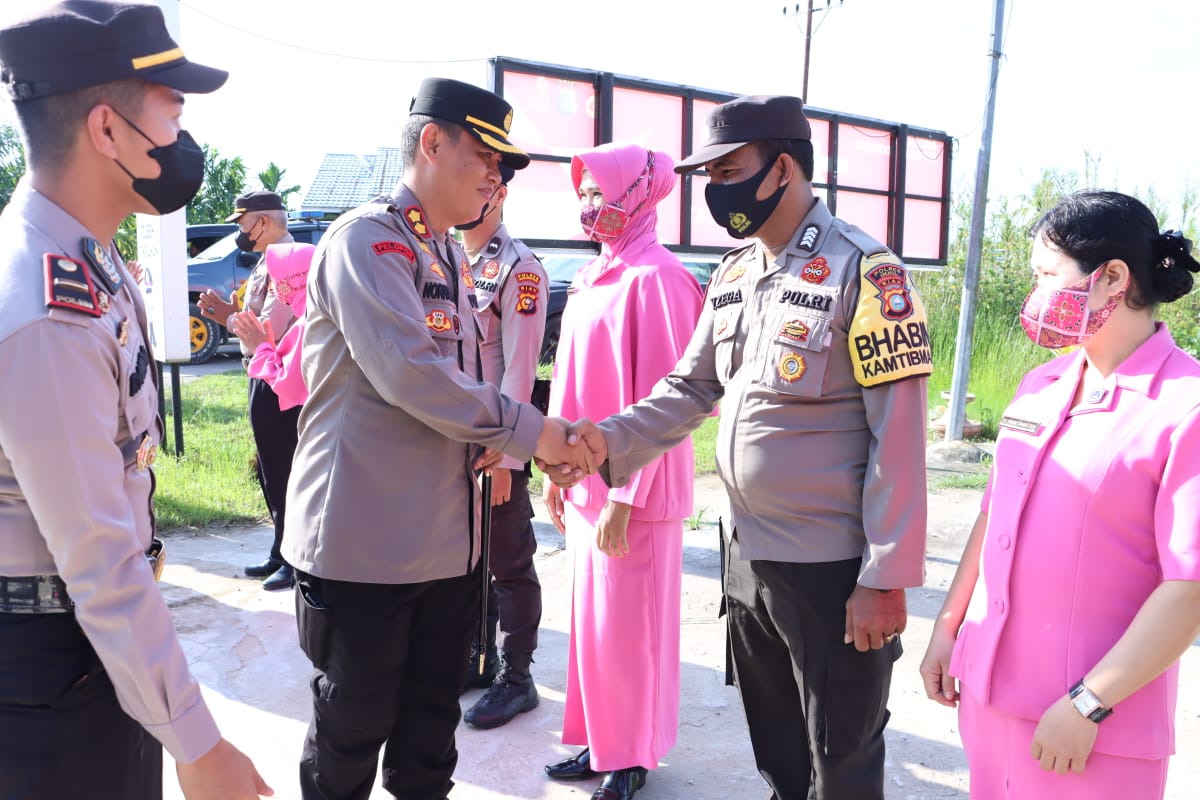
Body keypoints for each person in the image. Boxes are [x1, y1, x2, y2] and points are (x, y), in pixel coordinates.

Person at [556, 95, 932, 800]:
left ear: (783, 167)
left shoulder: (868, 272)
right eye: (708, 174)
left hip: (831, 566)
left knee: (841, 754)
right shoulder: (732, 275)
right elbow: (686, 389)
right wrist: (602, 441)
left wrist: (885, 577)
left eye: (729, 170)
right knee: (780, 749)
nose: (715, 189)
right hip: (748, 557)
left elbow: (900, 435)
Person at [282, 77, 593, 800]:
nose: (497, 176)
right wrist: (533, 432)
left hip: (448, 545)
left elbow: (467, 375)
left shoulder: (450, 255)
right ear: (431, 142)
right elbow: (411, 375)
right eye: (486, 156)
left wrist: (497, 439)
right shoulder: (370, 242)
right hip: (365, 548)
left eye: (505, 167)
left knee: (429, 743)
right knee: (349, 739)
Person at [0, 2, 271, 798]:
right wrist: (198, 741)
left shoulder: (90, 263)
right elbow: (97, 559)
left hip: (89, 651)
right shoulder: (45, 306)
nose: (187, 142)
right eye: (175, 114)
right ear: (108, 131)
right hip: (51, 666)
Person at [919, 191, 1200, 799]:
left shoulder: (1185, 406)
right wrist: (949, 626)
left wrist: (1089, 704)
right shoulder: (1042, 384)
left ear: (1113, 280)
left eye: (1048, 276)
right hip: (991, 694)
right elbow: (996, 514)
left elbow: (1188, 588)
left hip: (1093, 726)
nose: (1037, 294)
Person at [541, 142, 703, 800]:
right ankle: (599, 741)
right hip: (585, 486)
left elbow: (670, 402)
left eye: (597, 192)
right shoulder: (592, 277)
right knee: (594, 626)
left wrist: (626, 495)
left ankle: (630, 754)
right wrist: (554, 470)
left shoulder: (659, 278)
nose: (588, 206)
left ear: (637, 193)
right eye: (581, 194)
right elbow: (568, 389)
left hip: (636, 492)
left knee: (630, 629)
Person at [457, 165, 551, 729]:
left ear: (500, 193)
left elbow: (519, 372)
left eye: (484, 182)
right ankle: (477, 657)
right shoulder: (444, 258)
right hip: (450, 446)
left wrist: (510, 459)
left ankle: (517, 676)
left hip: (494, 450)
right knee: (465, 563)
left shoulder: (520, 269)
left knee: (510, 564)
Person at [199, 190, 299, 591]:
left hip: (281, 379)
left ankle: (294, 559)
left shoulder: (290, 263)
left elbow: (268, 330)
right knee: (269, 469)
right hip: (261, 372)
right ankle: (280, 549)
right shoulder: (267, 261)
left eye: (244, 223)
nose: (241, 232)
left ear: (263, 221)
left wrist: (229, 316)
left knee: (285, 470)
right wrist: (232, 316)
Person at [230, 242, 316, 411]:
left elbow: (289, 385)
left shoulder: (307, 323)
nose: (273, 287)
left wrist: (262, 349)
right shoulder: (323, 312)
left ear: (294, 280)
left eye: (276, 281)